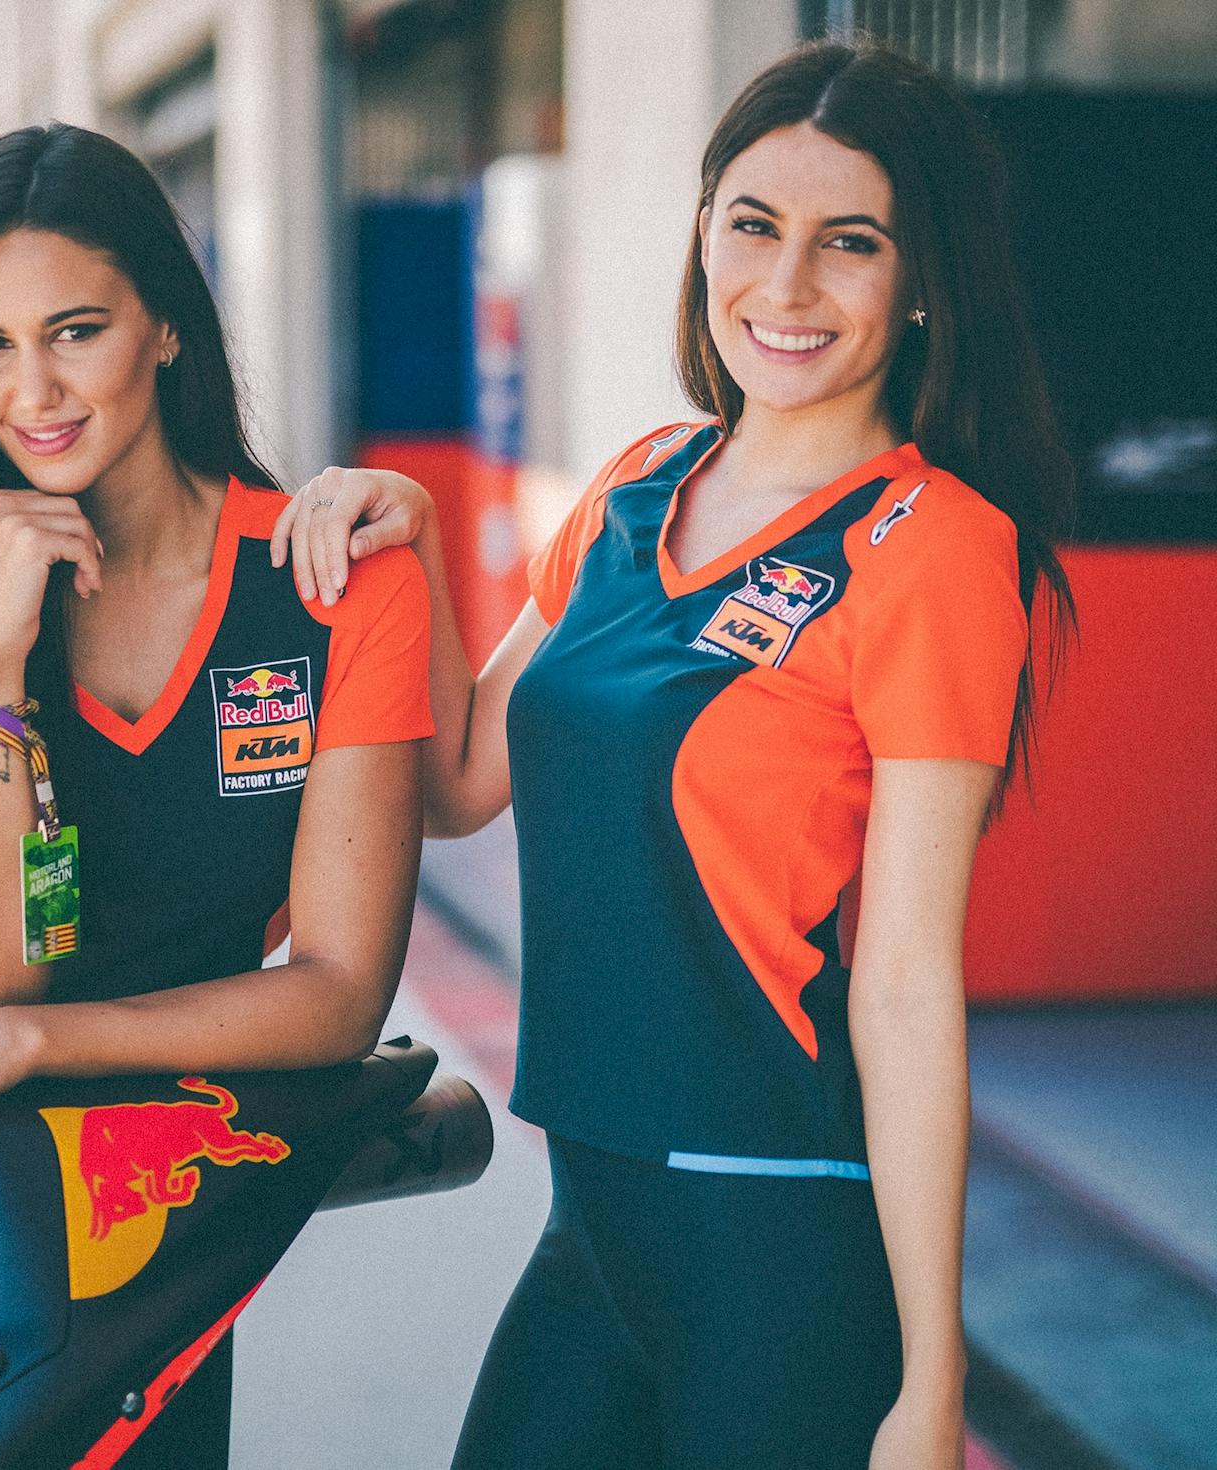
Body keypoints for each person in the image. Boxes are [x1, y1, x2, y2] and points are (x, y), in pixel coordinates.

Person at [276, 40, 1074, 1470]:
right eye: (754, 225)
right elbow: (457, 782)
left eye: (851, 242)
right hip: (591, 1221)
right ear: (704, 232)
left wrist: (932, 1382)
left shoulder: (936, 549)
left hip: (782, 1239)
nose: (787, 284)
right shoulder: (641, 481)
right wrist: (410, 538)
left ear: (923, 282)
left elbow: (903, 985)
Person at [0, 123, 433, 1467]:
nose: (32, 389)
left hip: (148, 1135)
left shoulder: (331, 582)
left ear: (166, 326)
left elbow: (343, 990)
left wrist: (29, 1044)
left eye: (76, 330)